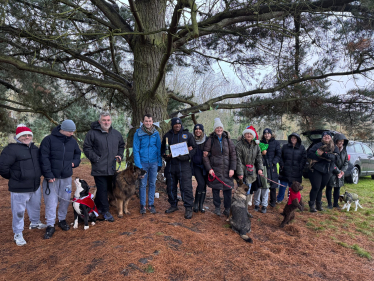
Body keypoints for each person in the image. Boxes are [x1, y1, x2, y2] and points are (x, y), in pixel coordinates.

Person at [0, 125, 46, 246]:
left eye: (29, 135)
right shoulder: (11, 150)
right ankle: (18, 233)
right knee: (18, 211)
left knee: (36, 205)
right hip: (19, 187)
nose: (27, 137)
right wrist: (16, 176)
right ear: (18, 137)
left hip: (35, 185)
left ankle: (35, 222)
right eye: (24, 135)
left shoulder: (34, 148)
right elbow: (3, 167)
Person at [40, 120, 81, 239]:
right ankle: (50, 225)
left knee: (66, 198)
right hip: (52, 178)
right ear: (62, 129)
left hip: (67, 177)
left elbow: (77, 154)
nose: (71, 133)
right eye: (69, 131)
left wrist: (75, 162)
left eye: (73, 131)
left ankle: (62, 219)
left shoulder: (72, 141)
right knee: (51, 201)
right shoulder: (48, 140)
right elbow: (43, 158)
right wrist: (48, 175)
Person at [83, 112, 125, 222]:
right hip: (99, 168)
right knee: (102, 190)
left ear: (111, 121)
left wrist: (120, 155)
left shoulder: (116, 134)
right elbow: (87, 148)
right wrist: (96, 159)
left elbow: (121, 145)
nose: (106, 122)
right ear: (99, 121)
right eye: (104, 120)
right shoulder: (92, 133)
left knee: (108, 189)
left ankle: (95, 207)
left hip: (112, 168)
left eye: (108, 120)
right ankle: (105, 211)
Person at [161, 117, 196, 219]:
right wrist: (165, 155)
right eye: (175, 124)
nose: (177, 125)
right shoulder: (167, 135)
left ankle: (189, 208)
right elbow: (163, 148)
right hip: (171, 165)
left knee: (186, 188)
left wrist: (187, 156)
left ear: (181, 124)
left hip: (184, 166)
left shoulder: (187, 135)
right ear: (172, 125)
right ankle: (173, 205)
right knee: (170, 187)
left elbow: (194, 148)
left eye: (179, 124)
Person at [203, 118, 236, 217]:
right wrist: (209, 169)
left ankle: (227, 208)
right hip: (215, 169)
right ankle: (217, 207)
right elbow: (205, 156)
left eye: (220, 127)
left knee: (227, 191)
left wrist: (232, 168)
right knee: (216, 190)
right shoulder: (210, 140)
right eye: (217, 128)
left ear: (223, 129)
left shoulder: (228, 140)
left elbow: (233, 155)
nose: (219, 129)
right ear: (214, 129)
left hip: (227, 169)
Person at [133, 114, 162, 214]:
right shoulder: (138, 133)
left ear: (152, 122)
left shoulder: (156, 133)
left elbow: (159, 148)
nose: (148, 123)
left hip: (154, 163)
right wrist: (138, 166)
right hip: (143, 163)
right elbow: (135, 150)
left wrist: (159, 163)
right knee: (142, 184)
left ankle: (150, 204)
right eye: (146, 121)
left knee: (152, 184)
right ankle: (142, 205)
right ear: (143, 122)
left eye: (150, 121)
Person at [307, 131, 339, 212]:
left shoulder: (334, 147)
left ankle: (319, 204)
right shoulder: (317, 145)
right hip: (316, 169)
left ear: (331, 137)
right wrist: (320, 157)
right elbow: (309, 153)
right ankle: (312, 205)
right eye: (325, 136)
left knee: (321, 188)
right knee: (316, 187)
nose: (326, 137)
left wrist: (323, 155)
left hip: (328, 170)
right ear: (322, 137)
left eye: (328, 136)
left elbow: (335, 158)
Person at [236, 125, 263, 217]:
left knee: (248, 192)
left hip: (251, 172)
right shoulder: (239, 145)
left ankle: (245, 210)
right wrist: (240, 173)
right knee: (240, 192)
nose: (248, 135)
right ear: (244, 135)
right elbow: (238, 160)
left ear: (253, 135)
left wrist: (260, 168)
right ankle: (238, 210)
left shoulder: (256, 146)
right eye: (247, 133)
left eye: (250, 134)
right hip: (242, 171)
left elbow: (259, 158)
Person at [277, 133, 307, 203]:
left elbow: (304, 158)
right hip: (285, 170)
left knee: (293, 187)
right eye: (292, 138)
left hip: (296, 171)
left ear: (298, 140)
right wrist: (282, 165)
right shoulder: (285, 146)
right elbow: (280, 157)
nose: (293, 139)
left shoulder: (302, 148)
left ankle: (292, 200)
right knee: (282, 186)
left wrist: (300, 167)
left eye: (295, 138)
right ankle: (279, 199)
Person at [259, 128, 281, 208]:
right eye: (265, 133)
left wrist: (273, 162)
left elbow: (278, 154)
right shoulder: (261, 143)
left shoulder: (276, 143)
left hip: (272, 166)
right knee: (263, 183)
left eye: (268, 133)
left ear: (271, 134)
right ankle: (262, 200)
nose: (267, 135)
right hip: (263, 166)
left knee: (273, 184)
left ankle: (272, 201)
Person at [326, 133, 348, 209]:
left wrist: (342, 171)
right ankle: (329, 204)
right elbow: (331, 162)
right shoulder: (331, 149)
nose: (341, 142)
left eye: (342, 141)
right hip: (331, 172)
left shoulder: (344, 150)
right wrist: (338, 171)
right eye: (340, 141)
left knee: (337, 188)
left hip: (340, 173)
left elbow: (346, 162)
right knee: (329, 187)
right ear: (336, 141)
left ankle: (336, 204)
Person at [191, 124, 208, 213]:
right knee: (201, 183)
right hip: (196, 165)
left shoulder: (207, 139)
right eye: (196, 129)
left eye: (199, 129)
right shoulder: (191, 139)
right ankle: (196, 202)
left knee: (204, 185)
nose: (198, 131)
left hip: (205, 165)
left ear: (202, 130)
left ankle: (201, 204)